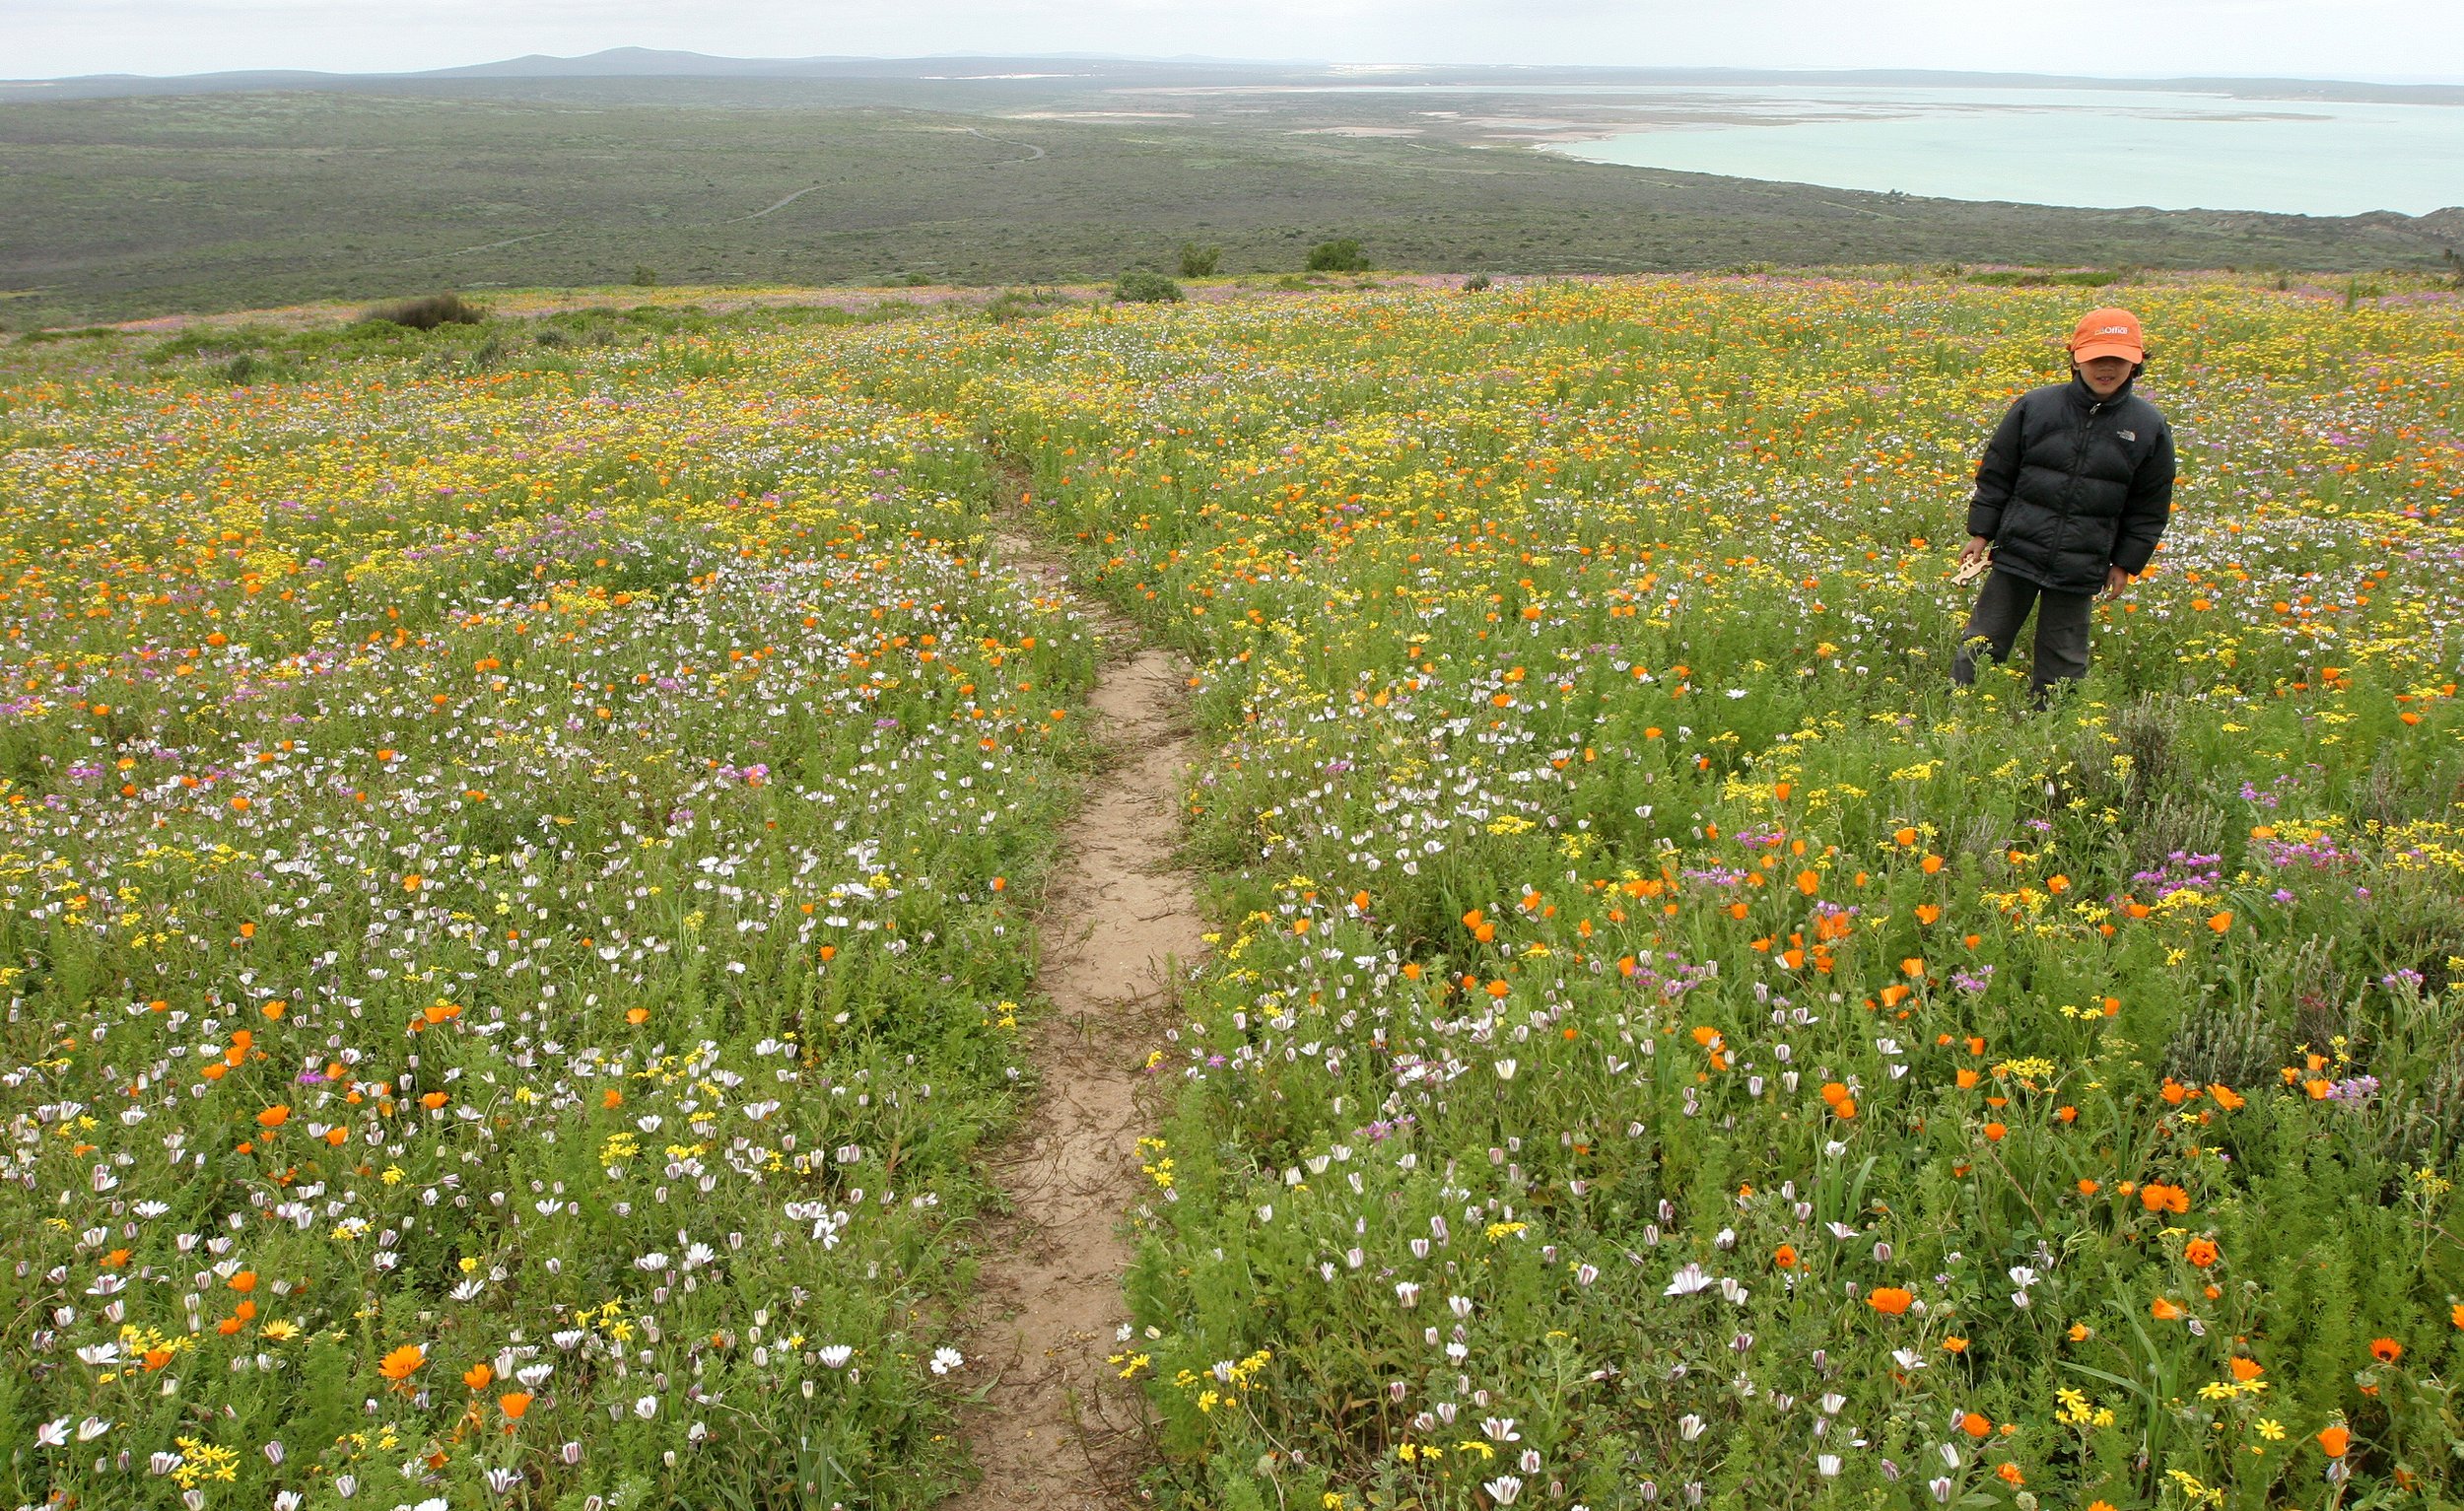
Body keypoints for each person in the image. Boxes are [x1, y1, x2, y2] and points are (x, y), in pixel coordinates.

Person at [1952, 307, 2175, 702]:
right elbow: (1998, 473)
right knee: (1983, 640)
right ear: (2075, 359)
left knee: (2064, 659)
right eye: (2096, 357)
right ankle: (1962, 708)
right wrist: (1982, 532)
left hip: (2083, 559)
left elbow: (2150, 505)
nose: (2106, 367)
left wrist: (2125, 562)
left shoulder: (2148, 425)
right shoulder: (2036, 407)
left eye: (2118, 359)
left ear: (2136, 363)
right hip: (2018, 549)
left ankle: (2051, 722)